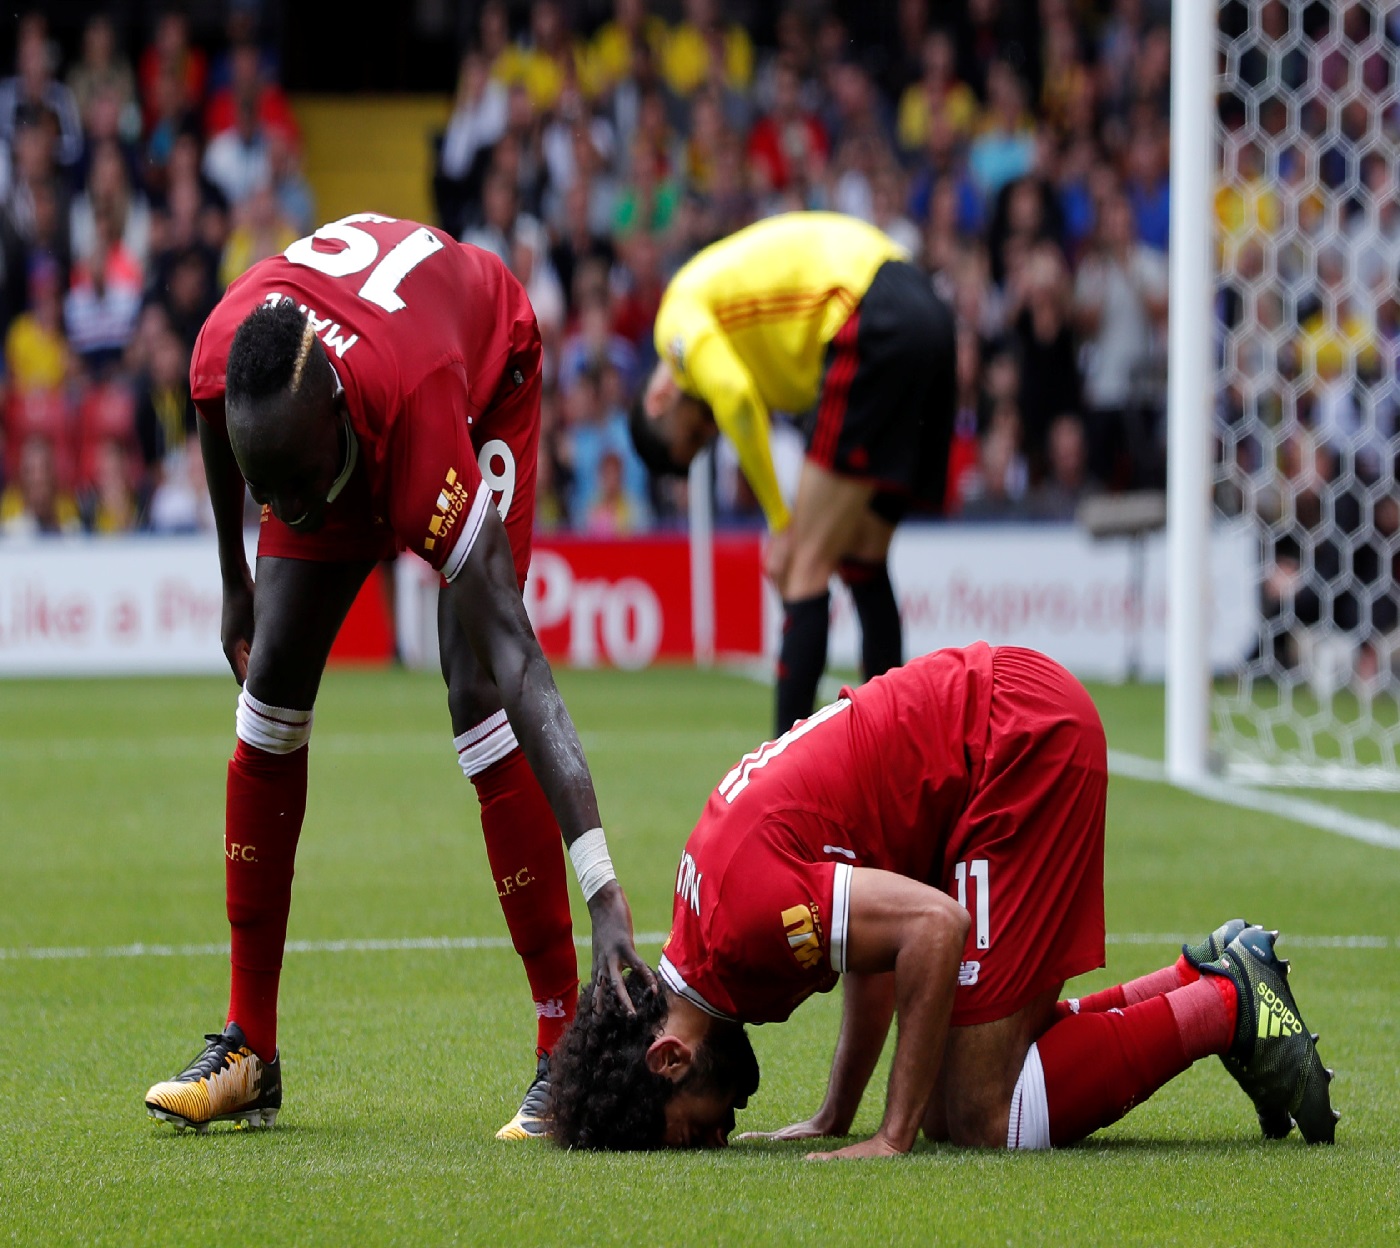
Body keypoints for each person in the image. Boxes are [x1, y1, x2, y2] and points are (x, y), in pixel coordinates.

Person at [142, 212, 653, 1139]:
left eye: (295, 486)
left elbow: (521, 656)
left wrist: (605, 892)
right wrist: (234, 578)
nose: (289, 512)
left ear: (336, 414)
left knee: (479, 693)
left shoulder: (417, 426)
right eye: (273, 497)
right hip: (351, 388)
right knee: (268, 704)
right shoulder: (234, 352)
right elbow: (213, 407)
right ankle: (249, 1047)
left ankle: (562, 1042)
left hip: (479, 376)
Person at [549, 645, 1339, 1154]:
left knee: (975, 1114)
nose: (720, 1137)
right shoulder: (706, 932)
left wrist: (891, 1135)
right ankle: (1197, 979)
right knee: (969, 1077)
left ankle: (1227, 1004)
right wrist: (837, 1109)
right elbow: (875, 943)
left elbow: (932, 926)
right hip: (997, 743)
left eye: (693, 1134)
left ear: (668, 1056)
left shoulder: (743, 926)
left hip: (1018, 746)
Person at [630, 211, 954, 734]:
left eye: (694, 432)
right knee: (863, 557)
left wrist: (782, 524)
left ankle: (783, 782)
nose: (710, 432)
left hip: (868, 311)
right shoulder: (752, 343)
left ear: (660, 396)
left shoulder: (675, 325)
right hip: (926, 312)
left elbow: (733, 397)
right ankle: (895, 751)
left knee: (804, 562)